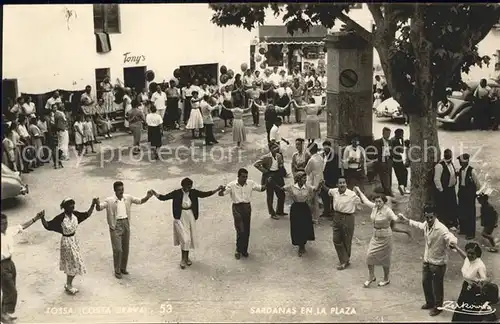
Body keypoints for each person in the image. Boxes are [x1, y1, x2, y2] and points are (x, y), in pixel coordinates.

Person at [398, 205, 458, 317]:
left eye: (431, 217)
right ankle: (430, 303)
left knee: (437, 286)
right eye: (427, 217)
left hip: (438, 263)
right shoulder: (426, 224)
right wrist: (406, 220)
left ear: (435, 216)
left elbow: (449, 236)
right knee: (426, 282)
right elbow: (419, 225)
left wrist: (452, 242)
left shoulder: (441, 228)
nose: (429, 220)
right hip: (427, 260)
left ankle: (438, 307)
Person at [151, 179, 223, 269]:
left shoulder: (193, 192)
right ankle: (182, 259)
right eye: (188, 186)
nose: (189, 188)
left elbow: (205, 194)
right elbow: (164, 197)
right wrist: (155, 193)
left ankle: (187, 258)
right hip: (180, 216)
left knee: (188, 239)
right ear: (183, 185)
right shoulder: (176, 193)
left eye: (190, 186)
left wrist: (217, 190)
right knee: (184, 239)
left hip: (190, 216)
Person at [95, 182, 154, 279]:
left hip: (126, 223)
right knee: (118, 249)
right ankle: (117, 270)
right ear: (115, 191)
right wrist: (96, 203)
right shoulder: (109, 201)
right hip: (115, 225)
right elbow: (99, 208)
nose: (121, 192)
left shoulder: (128, 197)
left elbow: (140, 201)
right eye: (119, 190)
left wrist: (147, 196)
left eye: (122, 189)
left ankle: (123, 268)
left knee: (125, 248)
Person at [40, 198, 98, 294]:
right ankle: (69, 285)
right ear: (65, 208)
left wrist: (93, 204)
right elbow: (48, 226)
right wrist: (42, 218)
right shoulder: (60, 218)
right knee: (74, 263)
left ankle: (68, 284)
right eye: (70, 206)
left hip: (74, 241)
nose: (72, 208)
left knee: (72, 264)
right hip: (66, 242)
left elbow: (87, 214)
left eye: (73, 206)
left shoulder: (75, 215)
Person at [354, 188, 407, 287]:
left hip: (386, 237)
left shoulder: (388, 211)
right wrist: (359, 191)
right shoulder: (374, 207)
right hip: (375, 237)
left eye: (380, 201)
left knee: (385, 259)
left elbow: (395, 218)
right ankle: (371, 276)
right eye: (376, 201)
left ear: (384, 202)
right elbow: (365, 201)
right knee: (369, 255)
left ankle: (386, 278)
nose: (377, 203)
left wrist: (400, 218)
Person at [1, 212, 43, 322]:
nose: (4, 225)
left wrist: (35, 218)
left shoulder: (9, 231)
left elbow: (22, 226)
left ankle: (3, 313)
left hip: (10, 263)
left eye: (6, 223)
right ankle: (5, 315)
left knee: (8, 289)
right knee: (11, 291)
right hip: (1, 266)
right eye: (2, 224)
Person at [219, 168, 267, 259]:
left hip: (247, 208)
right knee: (240, 229)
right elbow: (221, 194)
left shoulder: (250, 183)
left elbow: (262, 189)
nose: (245, 178)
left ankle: (244, 250)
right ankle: (238, 249)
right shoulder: (232, 185)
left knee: (246, 230)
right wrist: (221, 190)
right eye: (243, 177)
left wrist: (267, 182)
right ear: (238, 176)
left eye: (246, 177)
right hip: (237, 208)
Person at [269, 171, 320, 256]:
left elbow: (316, 189)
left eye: (305, 178)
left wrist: (321, 184)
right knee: (297, 226)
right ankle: (300, 245)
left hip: (304, 208)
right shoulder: (291, 187)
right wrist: (272, 183)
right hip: (296, 208)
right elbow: (280, 189)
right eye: (304, 178)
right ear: (298, 179)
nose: (305, 180)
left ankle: (302, 243)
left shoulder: (308, 187)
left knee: (304, 225)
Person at [322, 177, 361, 270]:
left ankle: (344, 261)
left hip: (348, 218)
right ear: (337, 185)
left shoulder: (352, 194)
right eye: (340, 183)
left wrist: (359, 192)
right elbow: (328, 190)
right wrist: (322, 184)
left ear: (346, 184)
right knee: (336, 239)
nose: (342, 184)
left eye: (344, 183)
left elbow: (361, 202)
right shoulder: (335, 191)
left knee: (346, 240)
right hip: (336, 217)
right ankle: (344, 259)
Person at [449, 242, 490, 322]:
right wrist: (456, 247)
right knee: (460, 309)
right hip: (465, 287)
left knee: (469, 313)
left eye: (472, 253)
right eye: (468, 253)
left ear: (477, 254)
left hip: (474, 291)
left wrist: (476, 283)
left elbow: (485, 280)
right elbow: (465, 257)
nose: (470, 255)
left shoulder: (480, 265)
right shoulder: (468, 259)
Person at [254, 143, 287, 219]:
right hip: (270, 175)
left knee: (281, 193)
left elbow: (281, 164)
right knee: (270, 195)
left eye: (276, 147)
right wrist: (265, 171)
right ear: (270, 149)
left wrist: (282, 168)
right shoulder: (266, 157)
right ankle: (272, 213)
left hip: (278, 175)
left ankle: (280, 210)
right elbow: (256, 164)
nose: (276, 149)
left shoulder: (279, 156)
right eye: (273, 147)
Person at [455, 153, 481, 240]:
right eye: (460, 162)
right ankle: (463, 229)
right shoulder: (461, 170)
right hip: (462, 192)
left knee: (470, 213)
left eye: (461, 162)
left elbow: (478, 184)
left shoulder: (472, 171)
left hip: (469, 195)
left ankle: (470, 233)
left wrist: (472, 192)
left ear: (466, 162)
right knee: (461, 211)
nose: (460, 163)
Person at [433, 149, 459, 230]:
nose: (449, 157)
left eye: (450, 155)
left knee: (453, 205)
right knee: (446, 207)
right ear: (444, 155)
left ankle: (455, 222)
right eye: (448, 155)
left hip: (451, 189)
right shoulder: (439, 166)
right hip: (445, 190)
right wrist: (441, 190)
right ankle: (449, 224)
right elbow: (436, 179)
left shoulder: (451, 164)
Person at [305, 143, 324, 224]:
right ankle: (316, 217)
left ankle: (313, 217)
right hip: (319, 179)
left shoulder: (311, 160)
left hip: (312, 181)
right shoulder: (320, 158)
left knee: (311, 200)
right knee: (315, 200)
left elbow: (306, 170)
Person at [321, 140, 342, 218]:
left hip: (332, 178)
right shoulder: (322, 155)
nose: (325, 148)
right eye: (324, 146)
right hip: (323, 178)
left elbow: (338, 168)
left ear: (330, 147)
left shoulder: (335, 156)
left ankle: (333, 212)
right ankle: (326, 211)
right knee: (323, 195)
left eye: (327, 146)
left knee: (333, 195)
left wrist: (338, 179)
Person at [373, 127, 393, 196]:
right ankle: (387, 191)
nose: (388, 135)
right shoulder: (377, 142)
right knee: (384, 176)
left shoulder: (390, 142)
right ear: (383, 133)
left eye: (389, 134)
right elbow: (375, 152)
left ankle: (389, 189)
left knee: (389, 175)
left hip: (389, 159)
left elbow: (392, 151)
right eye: (387, 134)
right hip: (382, 160)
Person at [391, 129, 409, 195]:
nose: (402, 135)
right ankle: (403, 187)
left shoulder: (394, 139)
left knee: (399, 174)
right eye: (402, 134)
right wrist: (402, 141)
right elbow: (402, 150)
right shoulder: (395, 141)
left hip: (396, 159)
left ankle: (402, 187)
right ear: (398, 134)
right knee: (404, 172)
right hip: (396, 159)